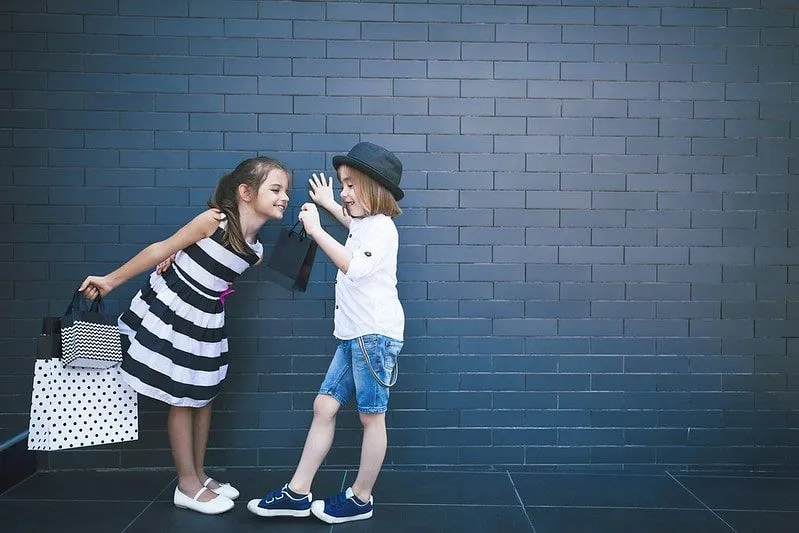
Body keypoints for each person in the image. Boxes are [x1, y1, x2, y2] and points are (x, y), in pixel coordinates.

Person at [78, 157, 291, 515]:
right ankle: (186, 485)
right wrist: (110, 280)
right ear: (245, 192)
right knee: (181, 397)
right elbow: (161, 248)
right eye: (276, 189)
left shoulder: (254, 252)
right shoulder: (215, 221)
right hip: (175, 311)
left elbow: (204, 266)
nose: (284, 197)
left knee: (202, 396)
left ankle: (200, 474)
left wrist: (183, 258)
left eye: (285, 190)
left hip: (206, 320)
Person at [247, 142, 405, 524]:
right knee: (324, 406)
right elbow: (353, 226)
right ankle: (298, 493)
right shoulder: (367, 224)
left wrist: (317, 230)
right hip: (354, 334)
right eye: (342, 185)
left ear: (374, 188)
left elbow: (355, 265)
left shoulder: (383, 228)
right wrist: (329, 204)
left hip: (374, 337)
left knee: (372, 417)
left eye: (350, 186)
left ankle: (361, 498)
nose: (345, 193)